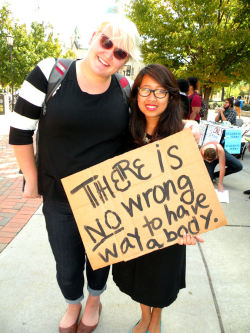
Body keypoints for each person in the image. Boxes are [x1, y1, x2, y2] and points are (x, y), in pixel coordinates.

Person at [9, 14, 141, 333]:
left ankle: (94, 300)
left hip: (108, 198)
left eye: (120, 52)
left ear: (125, 61)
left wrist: (186, 129)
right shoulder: (50, 72)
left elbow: (143, 133)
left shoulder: (125, 88)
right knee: (67, 263)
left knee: (99, 261)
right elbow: (20, 131)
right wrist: (32, 178)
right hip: (58, 196)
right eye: (106, 42)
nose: (109, 54)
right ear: (94, 36)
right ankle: (73, 302)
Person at [112, 64, 203, 333]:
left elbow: (192, 186)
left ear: (172, 97)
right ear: (136, 94)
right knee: (137, 276)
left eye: (160, 92)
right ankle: (144, 314)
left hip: (171, 225)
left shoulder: (181, 136)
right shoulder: (124, 132)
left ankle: (156, 316)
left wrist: (190, 222)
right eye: (145, 90)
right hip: (134, 224)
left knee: (162, 277)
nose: (152, 98)